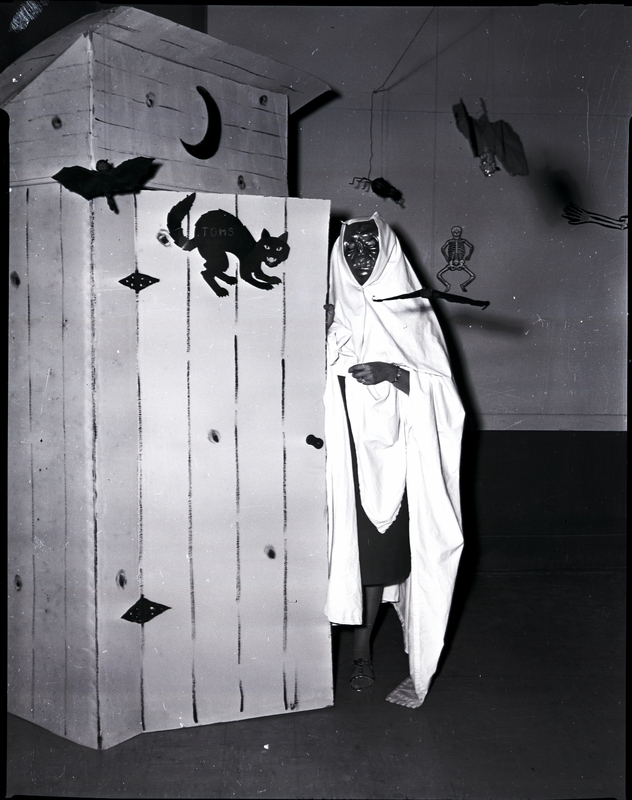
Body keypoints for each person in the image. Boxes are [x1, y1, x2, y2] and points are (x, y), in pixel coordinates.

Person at [323, 212, 465, 707]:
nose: (360, 256)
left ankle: (361, 651)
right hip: (336, 456)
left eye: (370, 246)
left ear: (386, 253)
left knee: (373, 562)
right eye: (351, 248)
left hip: (391, 464)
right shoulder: (326, 309)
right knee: (329, 556)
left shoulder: (412, 312)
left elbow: (444, 396)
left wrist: (392, 372)